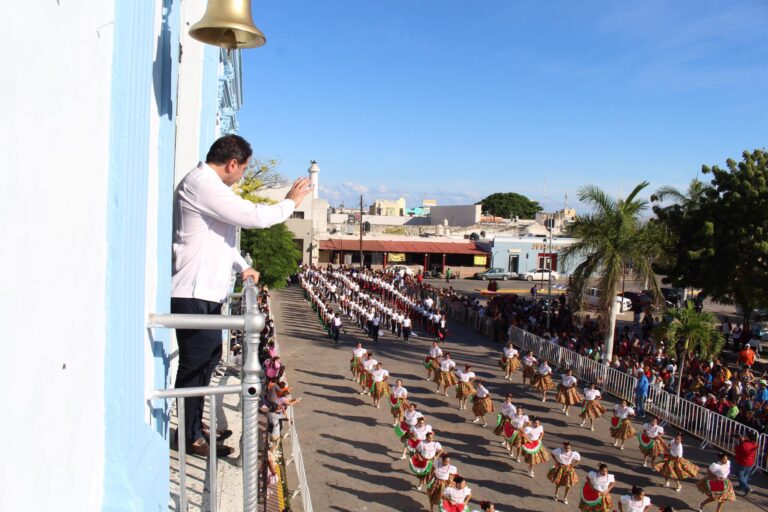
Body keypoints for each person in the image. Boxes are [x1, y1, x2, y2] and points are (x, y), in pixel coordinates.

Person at [172, 134, 312, 457]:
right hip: (193, 291)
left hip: (205, 291)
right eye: (243, 169)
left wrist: (241, 266)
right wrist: (291, 203)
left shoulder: (209, 187)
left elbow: (221, 241)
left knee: (208, 360)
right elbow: (254, 216)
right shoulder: (203, 184)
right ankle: (188, 434)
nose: (243, 176)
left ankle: (193, 426)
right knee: (195, 366)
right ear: (231, 164)